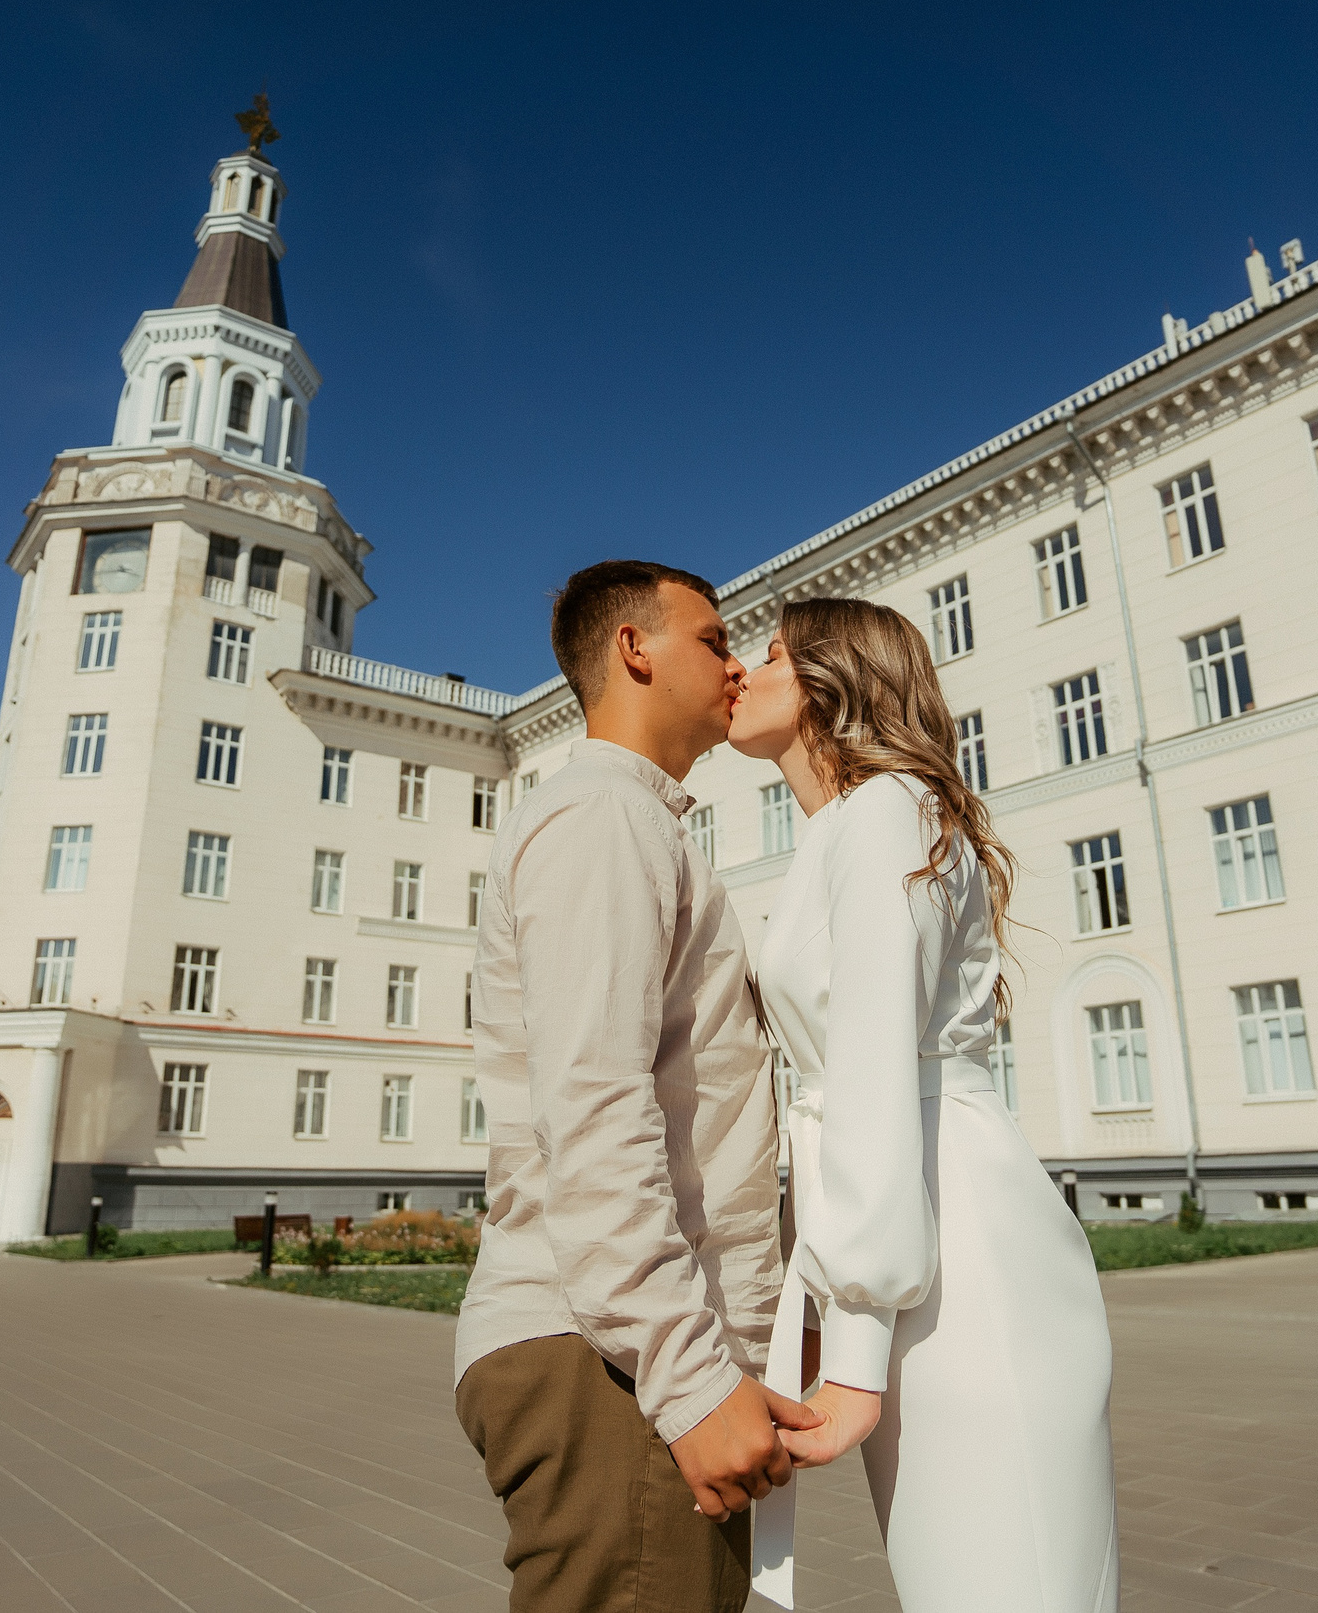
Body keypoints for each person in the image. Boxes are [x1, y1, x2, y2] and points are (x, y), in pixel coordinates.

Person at [731, 596, 1119, 1613]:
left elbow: (869, 1066)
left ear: (829, 681)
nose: (740, 670)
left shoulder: (885, 810)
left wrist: (852, 1346)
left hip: (959, 1261)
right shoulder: (846, 828)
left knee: (1000, 1578)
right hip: (925, 1236)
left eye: (768, 654)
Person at [456, 559, 821, 1613]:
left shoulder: (637, 823)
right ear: (634, 649)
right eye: (713, 639)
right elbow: (596, 1110)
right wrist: (692, 1379)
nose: (737, 661)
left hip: (626, 1356)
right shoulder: (602, 820)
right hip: (609, 1363)